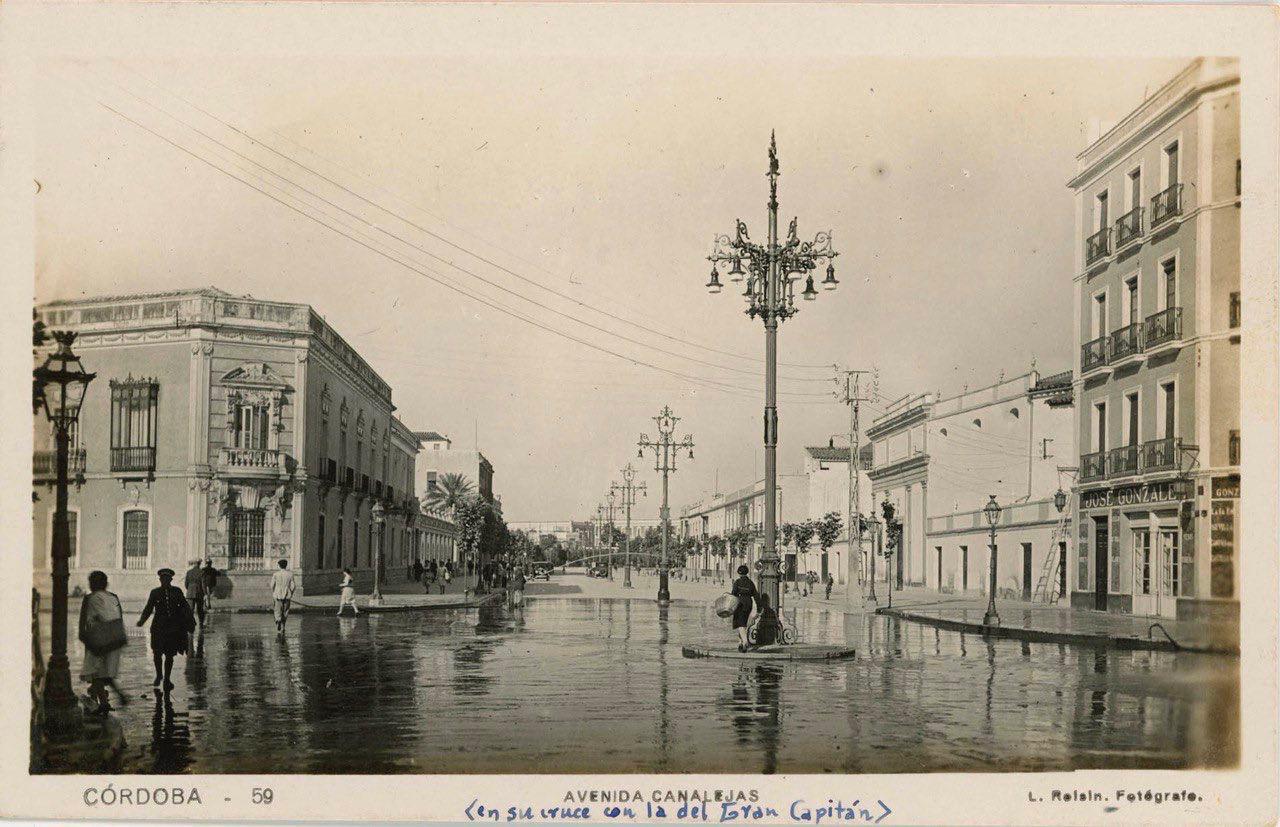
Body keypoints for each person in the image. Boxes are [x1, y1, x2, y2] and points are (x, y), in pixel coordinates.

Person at [79, 570, 128, 715]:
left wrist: (84, 637)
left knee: (96, 672)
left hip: (97, 638)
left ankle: (109, 699)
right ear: (106, 584)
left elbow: (83, 622)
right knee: (104, 672)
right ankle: (104, 699)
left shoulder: (89, 598)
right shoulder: (114, 597)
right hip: (115, 637)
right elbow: (120, 617)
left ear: (91, 584)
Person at [137, 568, 192, 691]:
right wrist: (142, 620)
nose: (165, 581)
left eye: (167, 579)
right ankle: (158, 675)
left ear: (171, 580)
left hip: (173, 628)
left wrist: (189, 621)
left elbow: (185, 606)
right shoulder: (155, 592)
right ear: (160, 580)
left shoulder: (177, 591)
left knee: (169, 655)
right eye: (162, 579)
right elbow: (148, 608)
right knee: (157, 653)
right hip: (158, 628)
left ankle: (167, 679)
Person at [730, 564, 760, 653]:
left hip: (740, 603)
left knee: (740, 624)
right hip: (749, 603)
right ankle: (740, 643)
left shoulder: (737, 582)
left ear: (739, 573)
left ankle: (745, 641)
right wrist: (758, 608)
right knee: (744, 623)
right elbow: (756, 596)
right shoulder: (750, 583)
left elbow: (733, 595)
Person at [271, 559, 296, 635]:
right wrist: (291, 592)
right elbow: (293, 586)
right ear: (286, 565)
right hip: (287, 594)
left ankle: (278, 620)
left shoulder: (275, 574)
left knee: (277, 610)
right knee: (285, 611)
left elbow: (272, 585)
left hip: (277, 594)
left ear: (279, 566)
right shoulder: (290, 574)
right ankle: (283, 626)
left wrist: (274, 592)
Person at [183, 560, 207, 628]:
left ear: (194, 564)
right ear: (199, 564)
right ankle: (201, 624)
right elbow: (203, 584)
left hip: (190, 593)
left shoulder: (189, 572)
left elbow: (186, 584)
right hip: (199, 592)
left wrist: (189, 590)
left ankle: (190, 623)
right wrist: (205, 593)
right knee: (200, 609)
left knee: (190, 609)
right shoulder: (202, 572)